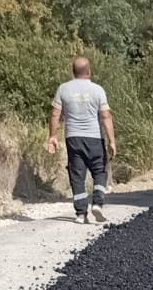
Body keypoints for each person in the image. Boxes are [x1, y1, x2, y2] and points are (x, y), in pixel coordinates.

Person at [47, 58, 116, 225]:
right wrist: (112, 141)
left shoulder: (63, 89)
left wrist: (52, 136)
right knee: (99, 171)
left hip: (73, 138)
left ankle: (80, 214)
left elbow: (55, 114)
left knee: (77, 175)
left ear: (73, 72)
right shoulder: (98, 90)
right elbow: (105, 116)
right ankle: (97, 203)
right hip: (94, 138)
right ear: (89, 71)